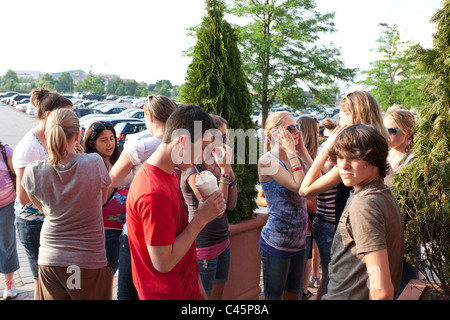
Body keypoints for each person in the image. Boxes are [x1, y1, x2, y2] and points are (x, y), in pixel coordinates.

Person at [126, 104, 226, 300]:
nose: (204, 156)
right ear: (182, 141)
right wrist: (201, 219)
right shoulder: (153, 192)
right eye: (203, 148)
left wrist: (199, 288)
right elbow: (163, 263)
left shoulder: (169, 173)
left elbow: (179, 237)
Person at [21, 109, 113, 300]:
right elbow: (101, 200)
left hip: (50, 258)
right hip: (87, 259)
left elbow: (42, 208)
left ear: (48, 134)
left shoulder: (33, 171)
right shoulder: (95, 163)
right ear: (78, 135)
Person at [322, 124, 404, 300]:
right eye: (339, 157)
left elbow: (381, 290)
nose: (343, 165)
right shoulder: (381, 193)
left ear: (375, 158)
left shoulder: (365, 204)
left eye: (353, 157)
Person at [109, 95, 177, 300]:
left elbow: (114, 180)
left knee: (127, 291)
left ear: (149, 116)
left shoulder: (139, 146)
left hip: (136, 229)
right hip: (168, 225)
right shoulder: (181, 145)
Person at [12, 87, 73, 299]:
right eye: (66, 116)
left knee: (53, 281)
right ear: (49, 116)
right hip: (33, 223)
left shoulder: (53, 139)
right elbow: (22, 196)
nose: (70, 121)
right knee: (41, 282)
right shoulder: (30, 147)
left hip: (50, 218)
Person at [300, 91, 391, 228]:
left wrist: (326, 149)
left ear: (350, 116)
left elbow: (305, 190)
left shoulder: (354, 155)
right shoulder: (378, 147)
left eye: (340, 117)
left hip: (350, 226)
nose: (338, 122)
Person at [180, 114, 237, 299]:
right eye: (221, 137)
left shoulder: (219, 165)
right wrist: (225, 172)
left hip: (223, 241)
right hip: (203, 247)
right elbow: (217, 210)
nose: (225, 142)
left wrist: (227, 172)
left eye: (226, 137)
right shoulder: (193, 169)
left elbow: (231, 205)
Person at [257, 111, 313, 300]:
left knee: (293, 293)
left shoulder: (295, 158)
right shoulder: (267, 161)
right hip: (277, 242)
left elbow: (316, 184)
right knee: (273, 296)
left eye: (298, 127)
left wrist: (303, 151)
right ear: (275, 134)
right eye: (291, 128)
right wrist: (291, 152)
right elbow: (300, 187)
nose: (297, 131)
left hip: (299, 241)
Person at [383, 105, 419, 296]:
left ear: (408, 133)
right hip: (383, 230)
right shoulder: (383, 154)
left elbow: (399, 190)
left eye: (391, 130)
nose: (386, 135)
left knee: (408, 285)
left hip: (407, 232)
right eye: (383, 130)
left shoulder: (414, 160)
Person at [83, 121, 125, 280]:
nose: (110, 144)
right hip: (103, 232)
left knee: (111, 276)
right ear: (92, 143)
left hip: (122, 230)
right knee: (102, 278)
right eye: (104, 140)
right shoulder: (90, 164)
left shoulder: (120, 160)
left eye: (112, 138)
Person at [296, 116, 320, 299]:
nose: (320, 135)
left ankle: (303, 290)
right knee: (307, 255)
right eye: (317, 131)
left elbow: (312, 205)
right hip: (308, 218)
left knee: (307, 255)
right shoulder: (311, 157)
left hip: (309, 218)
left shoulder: (314, 158)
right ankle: (303, 290)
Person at [0, 141, 19, 299]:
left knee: (6, 244)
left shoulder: (4, 150)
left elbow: (18, 174)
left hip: (6, 204)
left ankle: (9, 284)